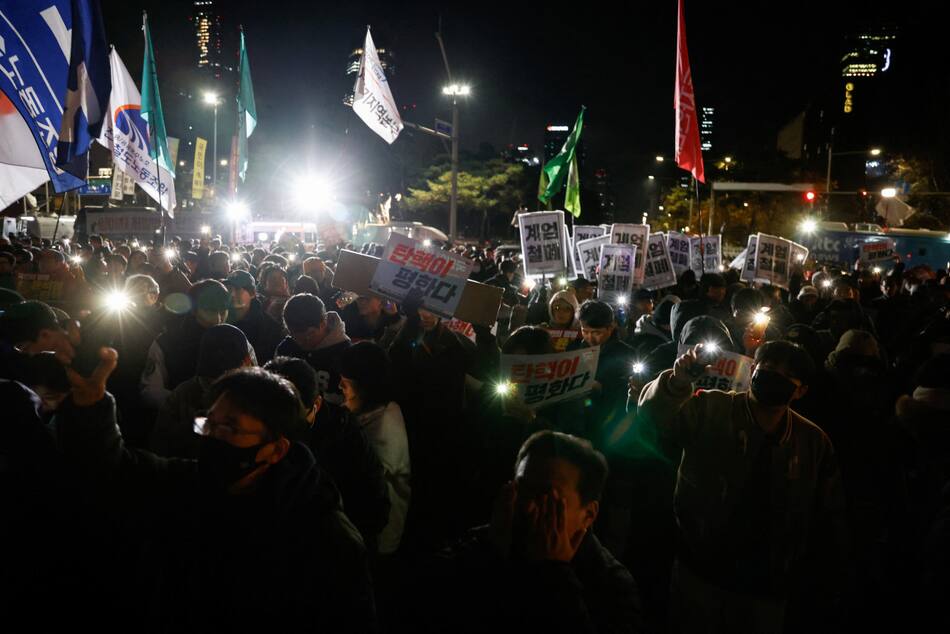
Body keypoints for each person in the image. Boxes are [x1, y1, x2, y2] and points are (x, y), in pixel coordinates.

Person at [58, 358, 377, 631]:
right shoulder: (186, 482)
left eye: (230, 428)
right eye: (208, 423)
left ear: (276, 449)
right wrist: (91, 411)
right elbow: (118, 470)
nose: (211, 437)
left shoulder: (326, 539)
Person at [637, 340, 847, 633]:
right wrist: (676, 383)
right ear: (752, 370)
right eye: (769, 368)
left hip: (768, 582)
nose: (774, 376)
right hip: (700, 566)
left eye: (786, 375)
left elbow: (827, 511)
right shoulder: (710, 406)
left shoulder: (812, 441)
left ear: (800, 390)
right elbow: (650, 421)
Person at [421, 430, 643, 633]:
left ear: (588, 514)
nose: (528, 507)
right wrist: (490, 554)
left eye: (546, 496)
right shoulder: (486, 541)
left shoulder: (611, 585)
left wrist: (555, 577)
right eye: (522, 490)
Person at [264, 355, 391, 551]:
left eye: (293, 419)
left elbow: (373, 503)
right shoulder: (254, 432)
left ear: (317, 404)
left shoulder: (343, 433)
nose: (283, 430)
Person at [339, 342, 411, 556]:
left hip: (377, 537)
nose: (340, 388)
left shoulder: (384, 426)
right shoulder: (368, 411)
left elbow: (365, 480)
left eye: (345, 383)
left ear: (364, 386)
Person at [141, 280, 255, 409]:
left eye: (223, 311)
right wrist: (185, 405)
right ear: (194, 310)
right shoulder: (167, 342)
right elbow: (151, 390)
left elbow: (253, 381)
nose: (218, 318)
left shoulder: (238, 339)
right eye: (210, 311)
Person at [149, 324, 254, 458]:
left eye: (226, 382)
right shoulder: (184, 395)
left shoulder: (256, 398)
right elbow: (161, 446)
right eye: (210, 381)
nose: (217, 391)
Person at [574, 300, 636, 441]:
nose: (590, 337)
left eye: (596, 332)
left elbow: (627, 392)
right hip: (577, 423)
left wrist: (602, 388)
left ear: (611, 327)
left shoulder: (626, 353)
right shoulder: (575, 350)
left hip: (607, 425)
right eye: (585, 331)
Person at [275, 292, 352, 404]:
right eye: (295, 336)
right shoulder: (286, 349)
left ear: (323, 323)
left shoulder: (345, 353)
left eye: (309, 335)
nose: (301, 343)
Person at [224, 270, 285, 364]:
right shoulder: (220, 319)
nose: (232, 294)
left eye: (237, 289)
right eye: (228, 289)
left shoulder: (269, 327)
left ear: (252, 293)